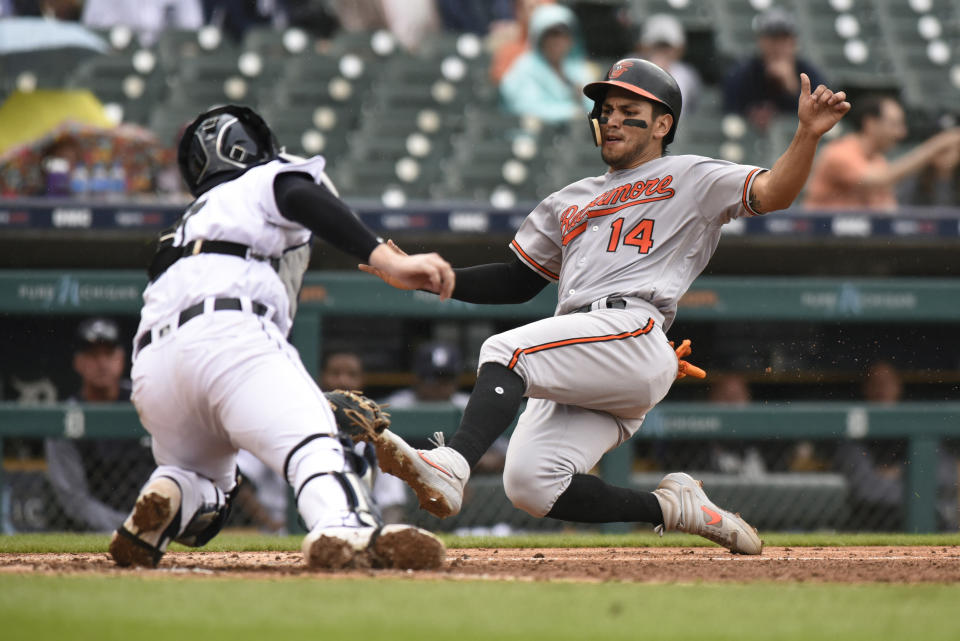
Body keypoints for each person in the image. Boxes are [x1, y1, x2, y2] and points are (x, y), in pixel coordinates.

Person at [360, 57, 851, 555]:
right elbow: (515, 281)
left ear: (663, 124)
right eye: (606, 109)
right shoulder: (568, 199)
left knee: (506, 351)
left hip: (631, 327)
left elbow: (774, 193)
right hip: (583, 346)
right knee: (530, 485)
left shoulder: (691, 175)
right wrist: (422, 278)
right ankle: (675, 508)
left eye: (628, 109)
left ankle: (453, 464)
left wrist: (807, 135)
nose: (612, 118)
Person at [107, 104, 455, 571]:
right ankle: (344, 528)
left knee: (208, 486)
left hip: (155, 367)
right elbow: (299, 194)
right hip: (228, 334)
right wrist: (387, 260)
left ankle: (172, 493)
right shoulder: (261, 179)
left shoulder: (183, 226)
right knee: (319, 443)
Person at [44, 317, 155, 532]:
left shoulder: (146, 400)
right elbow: (74, 500)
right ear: (78, 362)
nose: (102, 363)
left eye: (109, 354)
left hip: (152, 517)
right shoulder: (66, 415)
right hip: (91, 532)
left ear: (122, 359)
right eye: (93, 355)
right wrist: (128, 527)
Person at [834, 360, 958, 529]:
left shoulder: (916, 425)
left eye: (888, 382)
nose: (882, 388)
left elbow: (947, 477)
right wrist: (917, 483)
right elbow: (867, 490)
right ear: (866, 389)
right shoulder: (854, 436)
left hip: (931, 523)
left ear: (898, 387)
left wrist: (900, 471)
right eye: (875, 383)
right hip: (872, 526)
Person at [804, 94, 960, 210]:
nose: (901, 133)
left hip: (861, 247)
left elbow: (888, 210)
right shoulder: (839, 152)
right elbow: (881, 179)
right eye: (894, 124)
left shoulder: (879, 161)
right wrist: (936, 146)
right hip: (820, 243)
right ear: (870, 123)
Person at [723, 7, 827, 132]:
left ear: (794, 42)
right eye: (772, 39)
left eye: (783, 39)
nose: (778, 46)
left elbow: (819, 116)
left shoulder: (809, 73)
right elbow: (729, 113)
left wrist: (791, 86)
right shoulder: (742, 73)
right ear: (760, 41)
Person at [499, 3, 597, 124]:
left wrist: (582, 98)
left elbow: (595, 107)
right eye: (550, 34)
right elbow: (527, 107)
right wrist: (571, 112)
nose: (557, 40)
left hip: (578, 137)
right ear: (539, 38)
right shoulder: (524, 68)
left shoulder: (578, 69)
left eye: (563, 33)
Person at [634, 13, 701, 117]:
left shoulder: (686, 75)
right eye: (656, 46)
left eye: (666, 47)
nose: (661, 51)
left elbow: (693, 111)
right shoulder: (629, 67)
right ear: (643, 47)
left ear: (679, 49)